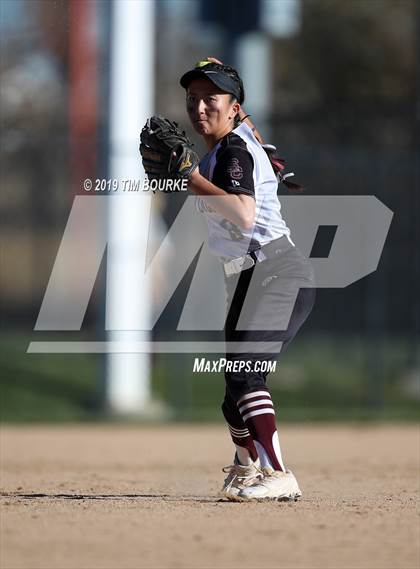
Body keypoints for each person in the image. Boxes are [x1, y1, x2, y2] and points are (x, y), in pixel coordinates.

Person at [177, 58, 315, 501]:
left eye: (210, 99)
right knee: (233, 392)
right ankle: (245, 466)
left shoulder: (233, 150)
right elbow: (250, 138)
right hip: (247, 276)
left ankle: (279, 475)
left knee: (246, 377)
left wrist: (189, 177)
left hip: (276, 271)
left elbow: (241, 211)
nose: (199, 107)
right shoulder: (231, 144)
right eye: (193, 99)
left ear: (234, 108)